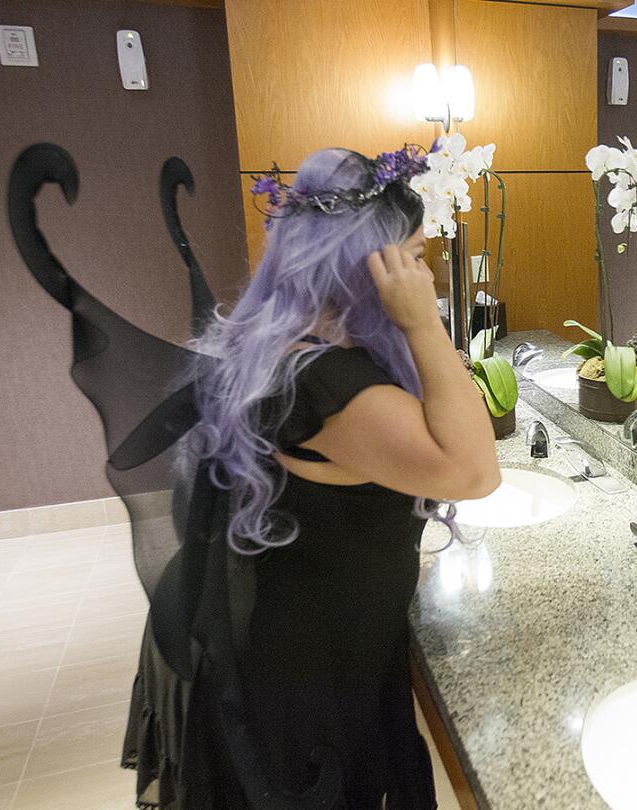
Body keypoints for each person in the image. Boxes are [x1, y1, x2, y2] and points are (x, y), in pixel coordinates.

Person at [123, 146, 502, 808]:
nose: (423, 275)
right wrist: (423, 324)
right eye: (411, 259)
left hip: (298, 636)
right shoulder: (327, 383)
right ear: (365, 270)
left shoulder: (287, 347)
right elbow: (473, 472)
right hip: (308, 677)